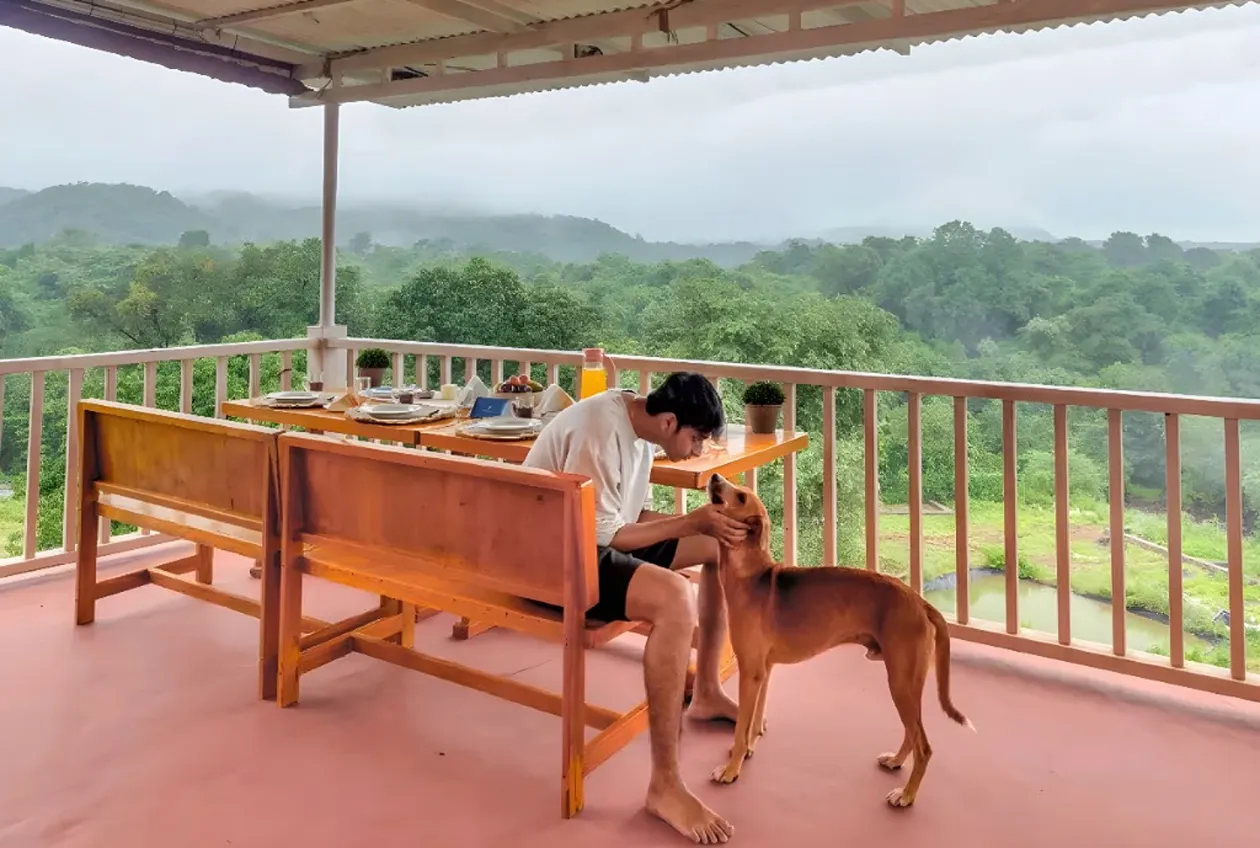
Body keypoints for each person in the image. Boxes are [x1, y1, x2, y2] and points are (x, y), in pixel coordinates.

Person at [523, 371, 747, 844]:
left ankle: (705, 690)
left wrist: (699, 528)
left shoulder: (639, 425)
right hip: (547, 559)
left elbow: (621, 522)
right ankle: (665, 784)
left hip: (591, 541)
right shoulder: (599, 431)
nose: (697, 450)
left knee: (719, 547)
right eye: (695, 437)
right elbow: (604, 536)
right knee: (674, 598)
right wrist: (688, 521)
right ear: (668, 422)